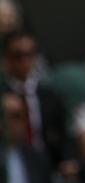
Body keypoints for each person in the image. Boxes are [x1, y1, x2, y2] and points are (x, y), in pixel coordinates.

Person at [0, 30, 73, 175]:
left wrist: (67, 161)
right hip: (11, 165)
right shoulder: (2, 94)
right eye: (18, 55)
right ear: (6, 58)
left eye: (30, 54)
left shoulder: (51, 96)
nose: (25, 61)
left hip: (49, 167)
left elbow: (64, 135)